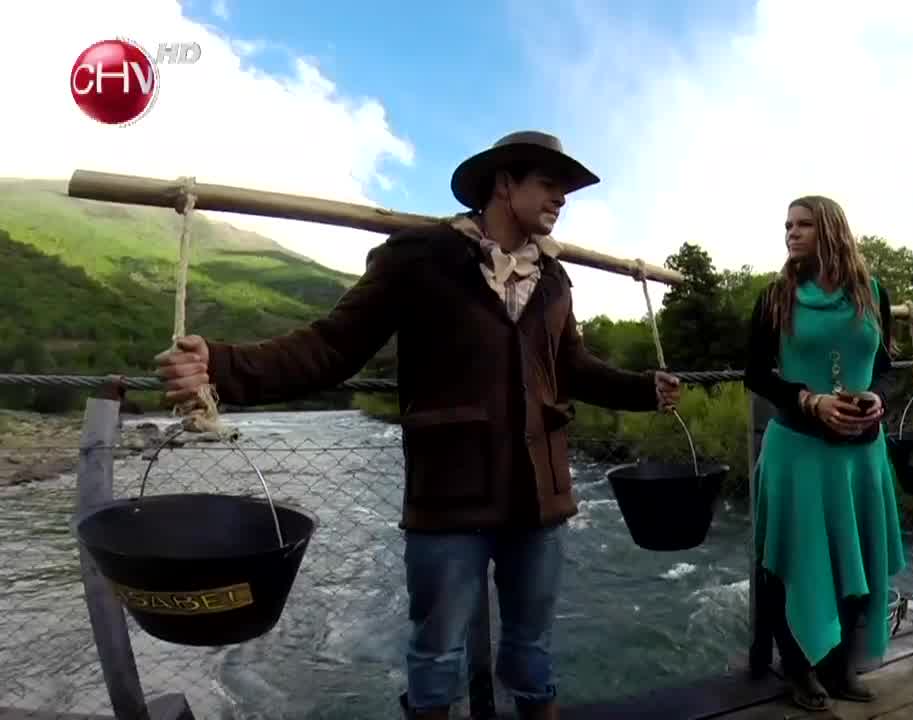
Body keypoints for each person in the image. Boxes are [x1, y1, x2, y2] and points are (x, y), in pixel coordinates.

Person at [154, 131, 682, 720]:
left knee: (532, 651)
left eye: (566, 189)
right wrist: (222, 366)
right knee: (437, 657)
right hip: (450, 496)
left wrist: (644, 389)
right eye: (548, 183)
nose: (562, 198)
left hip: (541, 498)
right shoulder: (419, 257)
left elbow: (573, 366)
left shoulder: (555, 279)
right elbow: (331, 346)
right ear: (504, 184)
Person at [744, 195, 906, 711]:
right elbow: (755, 373)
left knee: (854, 559)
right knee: (792, 560)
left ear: (831, 230)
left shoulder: (872, 294)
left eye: (804, 224)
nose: (791, 232)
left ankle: (839, 666)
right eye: (788, 225)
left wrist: (878, 396)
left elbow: (885, 366)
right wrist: (809, 401)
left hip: (861, 457)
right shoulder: (775, 298)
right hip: (799, 454)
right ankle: (797, 670)